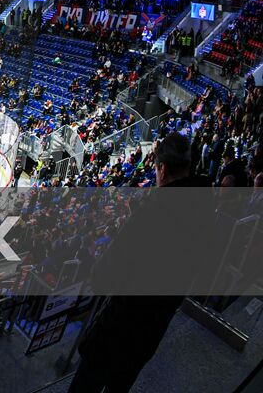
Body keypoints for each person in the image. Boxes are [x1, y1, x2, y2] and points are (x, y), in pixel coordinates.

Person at [67, 131, 214, 393]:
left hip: (123, 321)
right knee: (121, 381)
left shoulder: (152, 212)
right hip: (155, 325)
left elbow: (105, 274)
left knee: (88, 382)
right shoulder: (205, 209)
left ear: (162, 169)